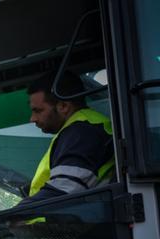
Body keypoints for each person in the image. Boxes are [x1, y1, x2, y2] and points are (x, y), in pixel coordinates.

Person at [22, 70, 114, 204]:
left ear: (63, 106)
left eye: (38, 110)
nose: (32, 119)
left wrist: (11, 217)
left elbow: (64, 190)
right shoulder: (81, 128)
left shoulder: (83, 132)